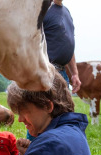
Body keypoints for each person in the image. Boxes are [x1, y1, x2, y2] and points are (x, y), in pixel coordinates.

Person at [26, 0, 81, 141]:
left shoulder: (66, 12)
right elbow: (29, 40)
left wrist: (74, 73)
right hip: (45, 72)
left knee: (62, 114)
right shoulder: (41, 9)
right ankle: (33, 150)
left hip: (62, 73)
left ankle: (59, 148)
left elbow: (68, 44)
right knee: (41, 115)